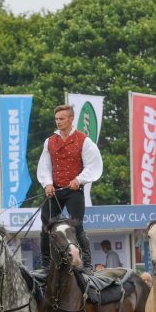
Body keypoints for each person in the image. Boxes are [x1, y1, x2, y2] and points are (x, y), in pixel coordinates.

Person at [37, 104, 103, 274]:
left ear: (71, 119)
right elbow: (45, 166)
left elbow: (93, 165)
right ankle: (46, 264)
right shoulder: (50, 141)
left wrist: (79, 179)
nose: (58, 122)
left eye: (62, 119)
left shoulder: (84, 141)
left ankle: (86, 264)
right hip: (55, 190)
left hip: (74, 190)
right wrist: (47, 183)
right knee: (46, 226)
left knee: (77, 226)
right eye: (56, 119)